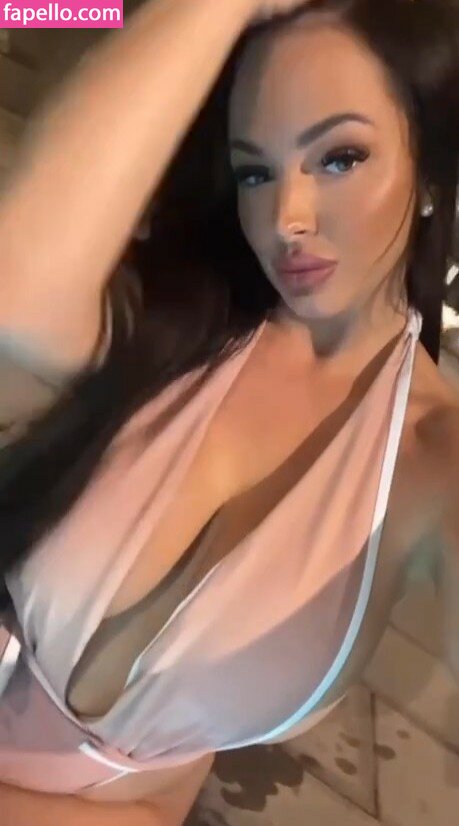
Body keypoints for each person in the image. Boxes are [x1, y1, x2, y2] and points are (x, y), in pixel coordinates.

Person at [0, 0, 458, 823]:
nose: (286, 219)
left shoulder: (434, 454)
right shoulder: (181, 323)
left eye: (339, 157)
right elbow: (18, 297)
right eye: (255, 172)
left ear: (429, 178)